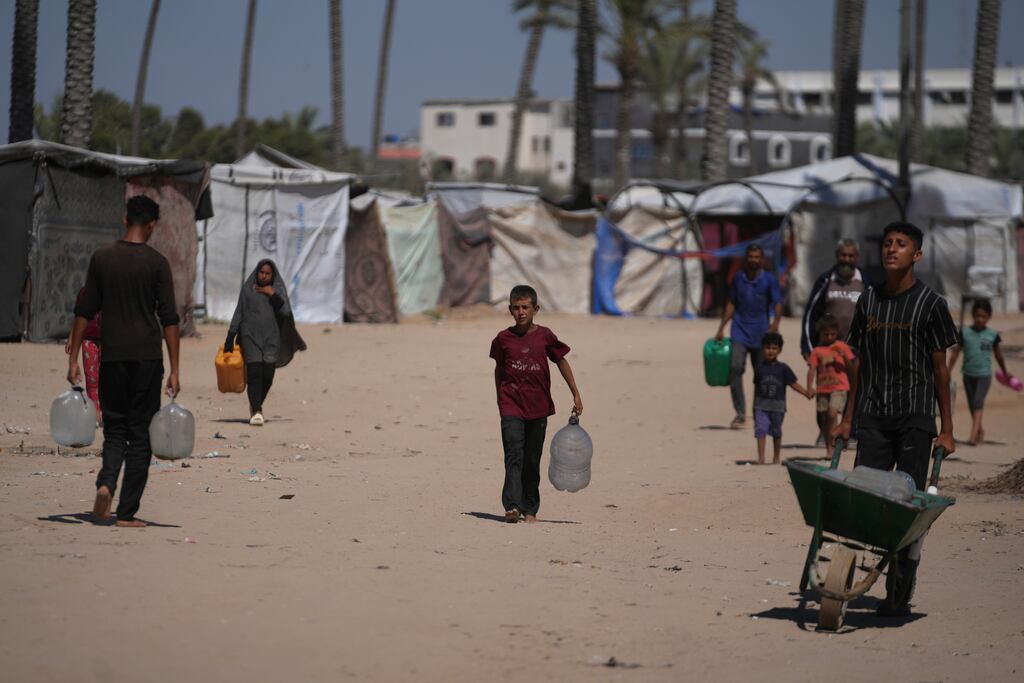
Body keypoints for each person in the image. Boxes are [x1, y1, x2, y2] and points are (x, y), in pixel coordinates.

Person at [834, 221, 959, 617]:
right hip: (873, 415)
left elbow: (941, 372)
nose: (892, 250)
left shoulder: (932, 304)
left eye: (901, 245)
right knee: (862, 500)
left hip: (915, 420)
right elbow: (858, 366)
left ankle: (899, 587)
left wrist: (948, 430)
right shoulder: (868, 301)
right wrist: (846, 419)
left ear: (916, 254)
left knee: (906, 507)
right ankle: (843, 577)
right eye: (887, 244)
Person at [67, 195, 180, 527]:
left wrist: (73, 357)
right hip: (146, 358)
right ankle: (127, 512)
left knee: (115, 430)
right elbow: (170, 319)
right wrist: (175, 369)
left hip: (112, 356)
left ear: (124, 219)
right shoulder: (157, 263)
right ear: (152, 225)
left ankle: (105, 483)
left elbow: (84, 310)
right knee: (140, 435)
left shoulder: (102, 259)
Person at [490, 285, 583, 524]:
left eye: (525, 307)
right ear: (510, 310)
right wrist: (501, 399)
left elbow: (561, 361)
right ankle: (511, 505)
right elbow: (499, 370)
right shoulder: (503, 339)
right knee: (513, 455)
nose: (521, 312)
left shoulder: (545, 336)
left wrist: (575, 393)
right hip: (511, 406)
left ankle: (530, 508)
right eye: (516, 308)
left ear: (535, 309)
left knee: (532, 459)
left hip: (538, 407)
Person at [224, 259, 307, 426]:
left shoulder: (278, 290)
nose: (263, 276)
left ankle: (256, 404)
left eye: (267, 273)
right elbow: (239, 312)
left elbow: (285, 312)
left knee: (267, 375)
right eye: (261, 272)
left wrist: (272, 294)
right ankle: (256, 410)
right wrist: (230, 337)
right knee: (254, 374)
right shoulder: (248, 289)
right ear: (257, 272)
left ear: (272, 275)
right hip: (250, 337)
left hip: (271, 338)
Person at [800, 238, 867, 444]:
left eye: (851, 256)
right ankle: (825, 433)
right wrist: (807, 346)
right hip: (827, 349)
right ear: (837, 256)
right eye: (843, 255)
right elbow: (811, 313)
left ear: (856, 257)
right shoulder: (825, 280)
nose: (846, 260)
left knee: (854, 389)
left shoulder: (865, 281)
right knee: (826, 390)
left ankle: (851, 431)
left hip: (854, 350)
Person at [715, 243, 784, 429]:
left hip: (761, 333)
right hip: (739, 331)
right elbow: (731, 303)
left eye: (757, 257)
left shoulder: (769, 280)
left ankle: (758, 411)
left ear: (762, 259)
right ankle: (739, 413)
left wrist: (775, 324)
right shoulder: (738, 278)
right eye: (750, 256)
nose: (753, 260)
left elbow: (778, 302)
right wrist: (721, 327)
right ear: (746, 258)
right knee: (735, 368)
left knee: (761, 375)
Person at [947, 298, 1016, 446]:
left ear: (989, 317)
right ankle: (980, 430)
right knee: (973, 404)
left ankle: (972, 436)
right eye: (977, 315)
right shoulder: (965, 332)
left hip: (984, 375)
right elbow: (955, 353)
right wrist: (948, 370)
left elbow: (998, 355)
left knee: (978, 401)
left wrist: (1005, 372)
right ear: (972, 315)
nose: (980, 319)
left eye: (983, 316)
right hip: (968, 374)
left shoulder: (992, 335)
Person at [753, 332, 814, 465]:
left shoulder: (783, 369)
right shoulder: (759, 368)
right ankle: (761, 458)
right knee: (761, 429)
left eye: (774, 348)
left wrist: (806, 392)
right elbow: (756, 388)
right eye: (768, 348)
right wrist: (754, 406)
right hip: (761, 406)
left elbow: (793, 384)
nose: (771, 351)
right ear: (763, 349)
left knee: (776, 432)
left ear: (779, 350)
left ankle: (776, 457)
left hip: (778, 407)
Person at [806, 314, 857, 457]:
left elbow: (852, 366)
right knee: (825, 420)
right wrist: (809, 386)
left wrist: (844, 356)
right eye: (826, 334)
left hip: (840, 387)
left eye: (832, 334)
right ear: (820, 333)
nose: (829, 337)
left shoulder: (842, 347)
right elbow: (811, 369)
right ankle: (829, 448)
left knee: (832, 413)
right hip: (823, 389)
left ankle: (834, 445)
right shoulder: (817, 351)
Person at [65, 287, 103, 424]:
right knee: (92, 379)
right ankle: (95, 412)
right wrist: (72, 337)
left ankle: (107, 413)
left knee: (108, 378)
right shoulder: (85, 292)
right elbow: (79, 317)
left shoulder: (114, 288)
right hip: (89, 339)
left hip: (110, 339)